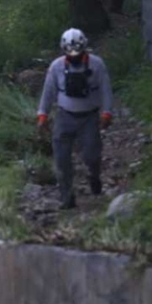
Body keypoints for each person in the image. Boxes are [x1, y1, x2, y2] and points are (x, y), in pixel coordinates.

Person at [37, 28, 114, 209]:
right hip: (64, 116)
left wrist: (107, 112)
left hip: (89, 117)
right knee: (62, 160)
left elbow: (106, 89)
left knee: (92, 155)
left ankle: (94, 176)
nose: (74, 57)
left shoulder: (97, 65)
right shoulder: (56, 67)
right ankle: (67, 197)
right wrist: (42, 114)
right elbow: (48, 92)